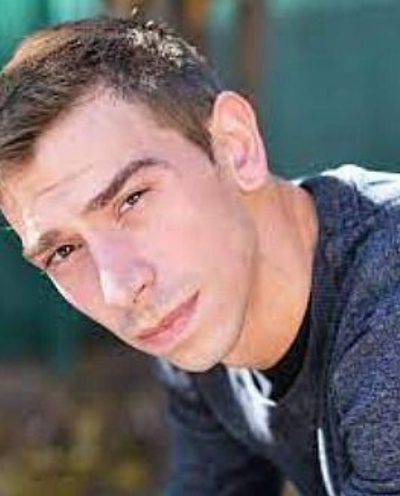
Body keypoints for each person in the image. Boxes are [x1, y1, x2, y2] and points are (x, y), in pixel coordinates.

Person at [0, 16, 400, 496]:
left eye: (132, 199)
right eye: (64, 251)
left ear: (235, 147)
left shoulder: (387, 308)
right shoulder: (200, 315)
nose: (120, 288)